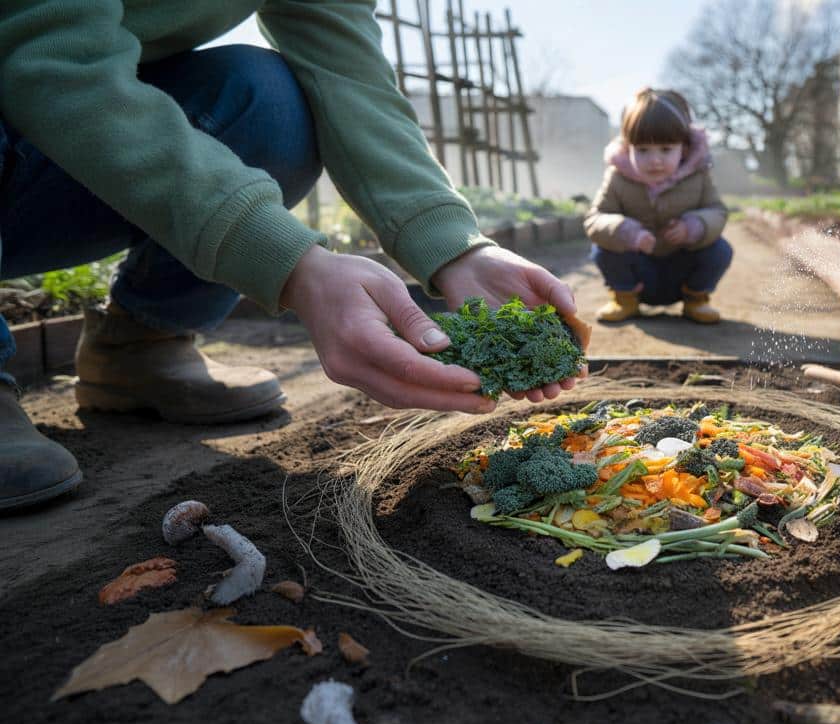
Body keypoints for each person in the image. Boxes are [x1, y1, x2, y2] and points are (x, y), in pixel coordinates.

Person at [0, 2, 582, 511]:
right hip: (41, 89)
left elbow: (351, 79)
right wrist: (292, 263)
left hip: (60, 156)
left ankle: (138, 346)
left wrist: (457, 247)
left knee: (273, 102)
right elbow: (53, 59)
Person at [584, 88, 731, 324]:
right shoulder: (618, 177)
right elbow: (595, 218)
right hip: (639, 275)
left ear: (683, 148)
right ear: (628, 146)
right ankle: (624, 299)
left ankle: (696, 300)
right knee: (603, 247)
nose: (655, 160)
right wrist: (627, 232)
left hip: (681, 273)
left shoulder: (698, 175)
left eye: (666, 149)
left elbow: (718, 212)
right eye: (642, 150)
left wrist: (693, 227)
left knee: (720, 249)